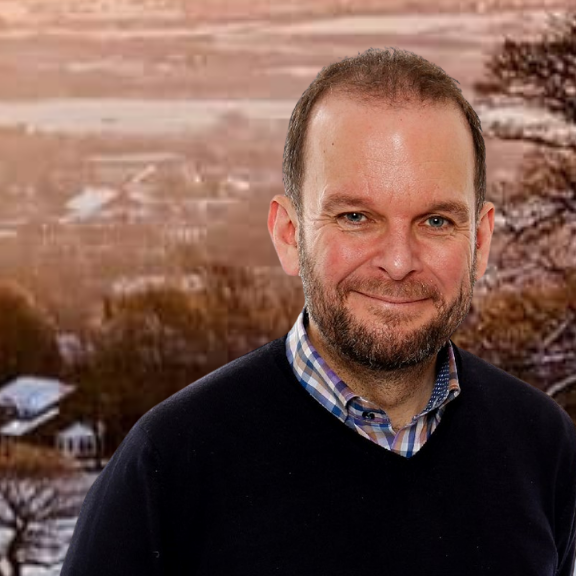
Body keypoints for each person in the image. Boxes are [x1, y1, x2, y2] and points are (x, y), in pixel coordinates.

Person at [60, 48, 576, 575]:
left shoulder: (542, 447)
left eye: (437, 221)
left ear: (481, 240)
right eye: (356, 216)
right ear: (289, 235)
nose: (398, 262)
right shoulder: (168, 469)